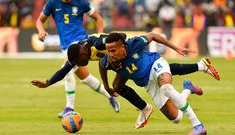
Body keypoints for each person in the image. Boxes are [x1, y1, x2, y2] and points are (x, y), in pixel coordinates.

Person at [32, 33, 219, 132]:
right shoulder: (83, 53)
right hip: (117, 65)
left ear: (83, 53)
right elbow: (72, 68)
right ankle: (186, 89)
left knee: (158, 73)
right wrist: (48, 83)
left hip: (127, 55)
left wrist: (117, 49)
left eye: (79, 62)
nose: (80, 66)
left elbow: (119, 36)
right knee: (175, 117)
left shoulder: (99, 44)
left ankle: (146, 108)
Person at [98, 32, 207, 134]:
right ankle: (187, 89)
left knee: (166, 88)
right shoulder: (109, 61)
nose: (110, 54)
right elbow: (102, 65)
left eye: (113, 51)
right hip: (147, 83)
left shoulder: (134, 43)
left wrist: (176, 48)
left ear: (122, 46)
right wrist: (106, 86)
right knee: (176, 118)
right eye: (108, 51)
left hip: (155, 64)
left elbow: (153, 35)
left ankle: (198, 125)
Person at [35, 0, 120, 118]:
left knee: (67, 69)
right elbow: (39, 20)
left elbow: (98, 18)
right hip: (65, 46)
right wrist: (41, 31)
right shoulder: (52, 3)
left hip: (79, 46)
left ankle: (69, 108)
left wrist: (100, 37)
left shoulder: (81, 2)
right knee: (86, 78)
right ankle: (110, 97)